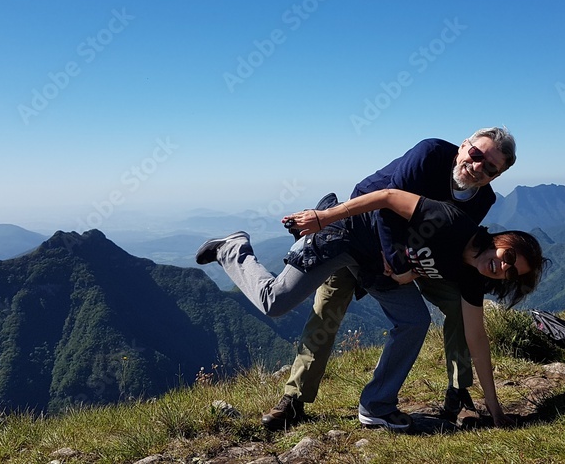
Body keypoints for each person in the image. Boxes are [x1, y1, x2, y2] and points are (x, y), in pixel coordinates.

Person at [195, 187, 547, 428]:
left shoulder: (471, 276)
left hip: (377, 269)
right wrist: (325, 217)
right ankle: (233, 248)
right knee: (282, 304)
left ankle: (376, 406)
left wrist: (496, 410)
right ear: (503, 240)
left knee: (413, 320)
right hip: (347, 238)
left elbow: (477, 340)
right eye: (509, 256)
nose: (504, 267)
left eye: (512, 274)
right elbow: (388, 198)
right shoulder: (452, 219)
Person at [261, 129, 515, 430]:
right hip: (362, 232)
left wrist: (410, 268)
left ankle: (458, 394)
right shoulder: (431, 154)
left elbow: (453, 237)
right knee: (329, 308)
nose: (478, 168)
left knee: (459, 306)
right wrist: (395, 261)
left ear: (495, 176)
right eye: (476, 156)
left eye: (490, 169)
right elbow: (386, 204)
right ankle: (294, 399)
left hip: (416, 256)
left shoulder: (482, 198)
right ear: (464, 146)